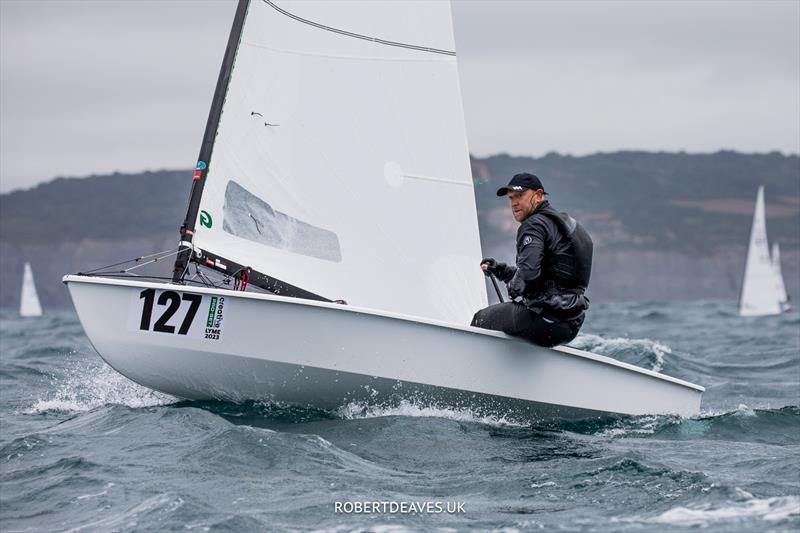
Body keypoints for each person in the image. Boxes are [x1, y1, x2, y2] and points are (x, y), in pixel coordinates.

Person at [471, 173, 593, 347]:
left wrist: (514, 288)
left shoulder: (534, 225)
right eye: (511, 198)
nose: (514, 203)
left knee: (480, 319)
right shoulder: (567, 224)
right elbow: (543, 279)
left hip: (543, 320)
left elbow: (528, 274)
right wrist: (501, 271)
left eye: (520, 196)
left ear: (539, 195)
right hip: (570, 325)